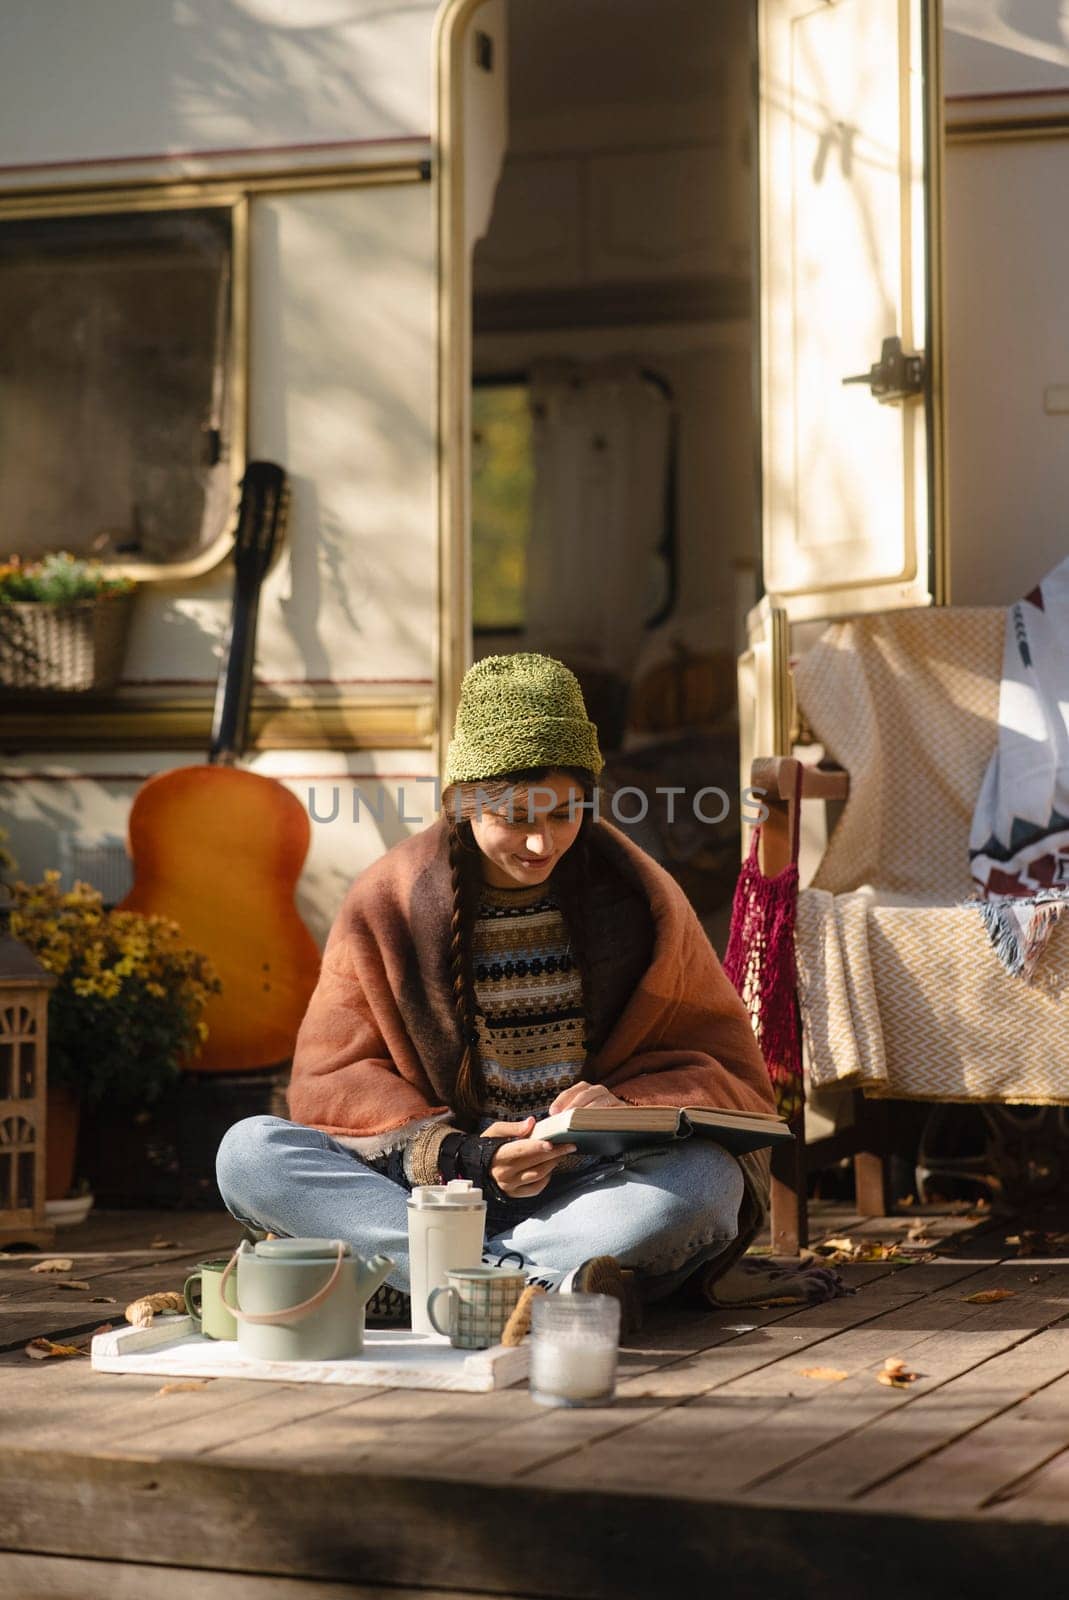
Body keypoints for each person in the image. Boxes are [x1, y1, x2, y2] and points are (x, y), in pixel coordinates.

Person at [215, 653, 777, 1329]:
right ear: (462, 802)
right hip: (428, 1194)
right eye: (515, 817)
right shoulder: (388, 900)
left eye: (566, 814)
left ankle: (427, 1284)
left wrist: (624, 1105)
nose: (543, 842)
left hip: (585, 1191)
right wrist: (469, 1157)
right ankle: (521, 1286)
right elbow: (332, 1082)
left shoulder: (638, 894)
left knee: (703, 1185)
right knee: (249, 1151)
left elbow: (714, 1061)